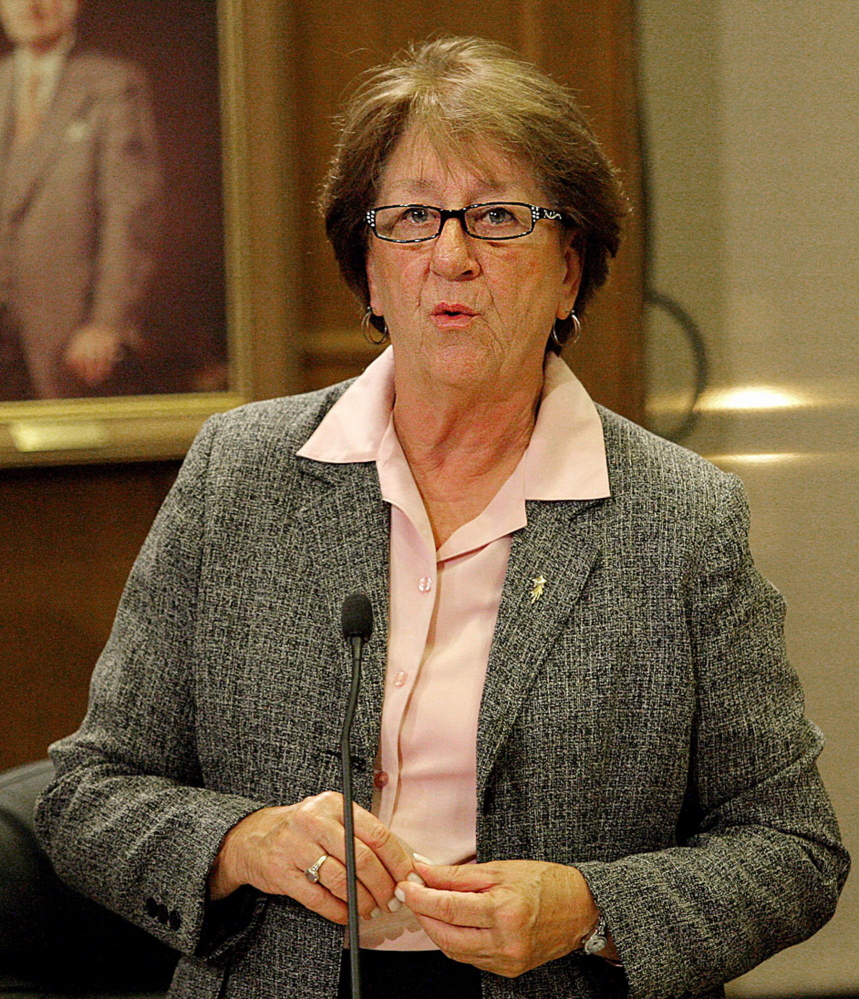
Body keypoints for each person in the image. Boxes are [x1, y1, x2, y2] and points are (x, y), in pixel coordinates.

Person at [35, 36, 848, 999]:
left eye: (499, 217)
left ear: (566, 270)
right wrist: (243, 841)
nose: (451, 256)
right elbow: (88, 794)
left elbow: (791, 848)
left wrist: (590, 908)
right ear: (370, 272)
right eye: (414, 217)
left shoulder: (679, 518)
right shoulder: (240, 475)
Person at [0, 0, 162, 400]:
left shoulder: (111, 83)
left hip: (69, 336)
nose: (33, 6)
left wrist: (107, 323)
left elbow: (130, 213)